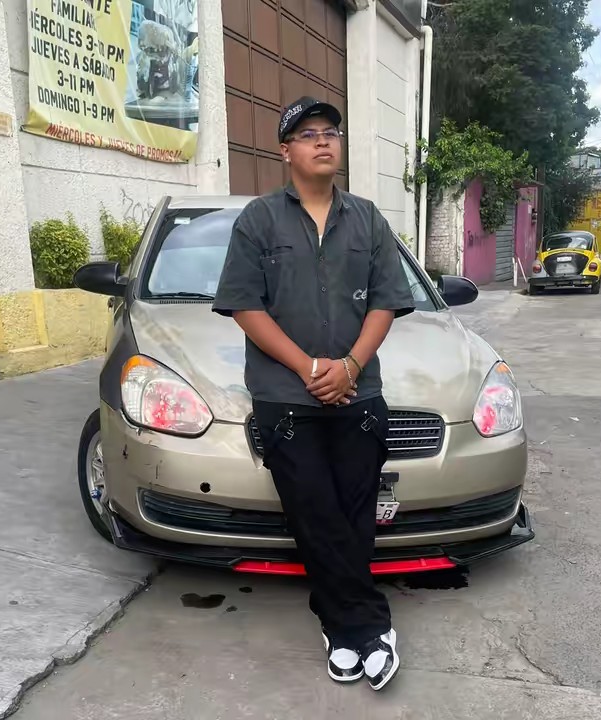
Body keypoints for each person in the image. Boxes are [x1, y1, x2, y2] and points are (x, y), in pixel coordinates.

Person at [212, 96, 415, 691]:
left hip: (359, 394)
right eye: (308, 134)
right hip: (285, 397)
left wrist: (350, 366)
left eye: (331, 132)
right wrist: (309, 368)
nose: (323, 141)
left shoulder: (368, 220)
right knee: (314, 513)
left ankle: (339, 627)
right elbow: (245, 306)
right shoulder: (259, 221)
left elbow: (386, 302)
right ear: (286, 152)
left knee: (354, 514)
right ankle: (366, 625)